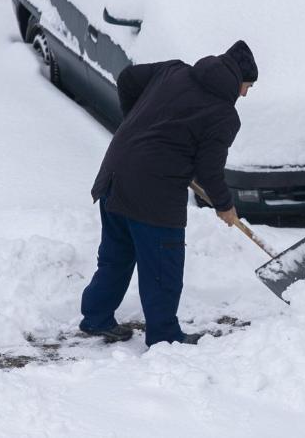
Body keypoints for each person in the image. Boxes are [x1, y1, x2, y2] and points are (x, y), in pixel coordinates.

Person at [79, 40, 258, 346]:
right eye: (247, 86)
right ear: (237, 80)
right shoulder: (224, 115)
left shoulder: (173, 71)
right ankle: (164, 336)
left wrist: (136, 122)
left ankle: (96, 317)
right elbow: (209, 170)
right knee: (163, 265)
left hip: (115, 172)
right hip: (154, 192)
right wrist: (224, 205)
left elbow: (127, 78)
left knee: (116, 255)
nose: (244, 93)